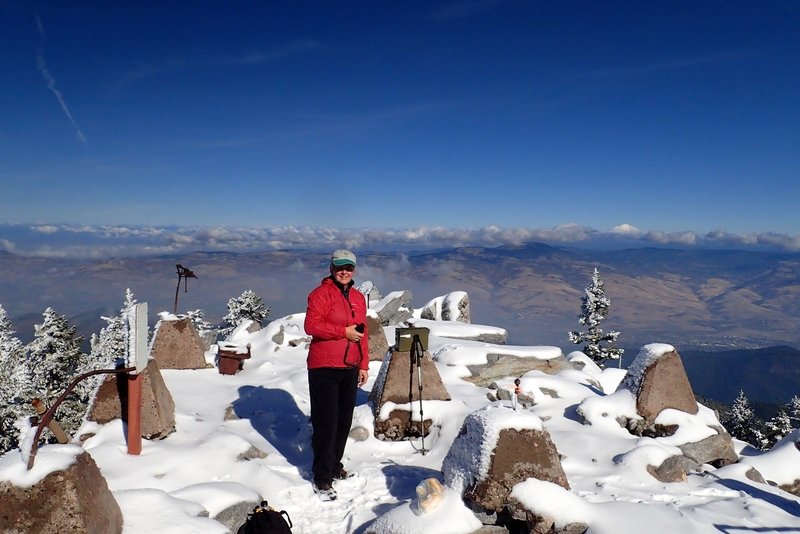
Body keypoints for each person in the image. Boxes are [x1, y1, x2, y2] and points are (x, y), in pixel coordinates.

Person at [304, 249, 369, 499]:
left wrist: (363, 364)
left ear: (354, 270)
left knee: (343, 422)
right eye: (340, 267)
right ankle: (321, 476)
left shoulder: (357, 297)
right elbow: (312, 326)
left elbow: (362, 332)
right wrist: (343, 332)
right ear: (331, 268)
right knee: (326, 422)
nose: (344, 271)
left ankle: (334, 465)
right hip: (324, 366)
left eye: (349, 268)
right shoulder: (320, 294)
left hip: (350, 366)